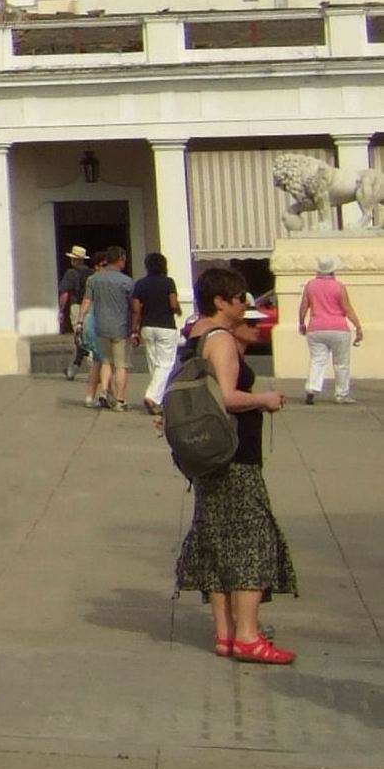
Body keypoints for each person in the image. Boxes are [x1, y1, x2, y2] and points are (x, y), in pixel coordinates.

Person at [174, 264, 297, 662]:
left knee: (217, 540)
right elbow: (227, 396)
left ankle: (225, 633)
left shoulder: (194, 334)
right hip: (233, 452)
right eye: (239, 298)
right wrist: (265, 399)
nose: (245, 305)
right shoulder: (221, 339)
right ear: (220, 301)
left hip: (204, 453)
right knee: (250, 541)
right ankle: (247, 635)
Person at [299, 255, 363, 403]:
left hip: (316, 328)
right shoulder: (339, 286)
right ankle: (342, 394)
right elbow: (347, 308)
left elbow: (303, 306)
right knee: (341, 363)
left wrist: (301, 323)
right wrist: (358, 327)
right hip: (338, 328)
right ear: (333, 271)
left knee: (317, 360)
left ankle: (312, 388)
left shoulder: (310, 285)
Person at [83, 247, 137, 410]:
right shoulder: (127, 281)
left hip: (101, 326)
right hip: (121, 328)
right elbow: (133, 306)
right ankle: (120, 400)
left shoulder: (94, 280)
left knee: (105, 362)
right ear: (121, 259)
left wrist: (80, 322)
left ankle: (104, 391)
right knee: (121, 365)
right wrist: (135, 328)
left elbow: (87, 300)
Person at [133, 254, 183, 417]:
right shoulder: (168, 282)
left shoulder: (140, 284)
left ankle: (158, 400)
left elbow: (136, 309)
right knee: (166, 364)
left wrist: (134, 329)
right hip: (166, 326)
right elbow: (173, 304)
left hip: (147, 326)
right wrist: (178, 310)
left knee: (154, 363)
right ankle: (152, 396)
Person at [57, 245, 93, 381]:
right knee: (85, 337)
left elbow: (65, 293)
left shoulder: (70, 273)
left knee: (81, 339)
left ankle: (93, 368)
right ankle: (72, 370)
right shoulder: (92, 273)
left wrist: (61, 311)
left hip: (77, 307)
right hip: (91, 306)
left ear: (74, 260)